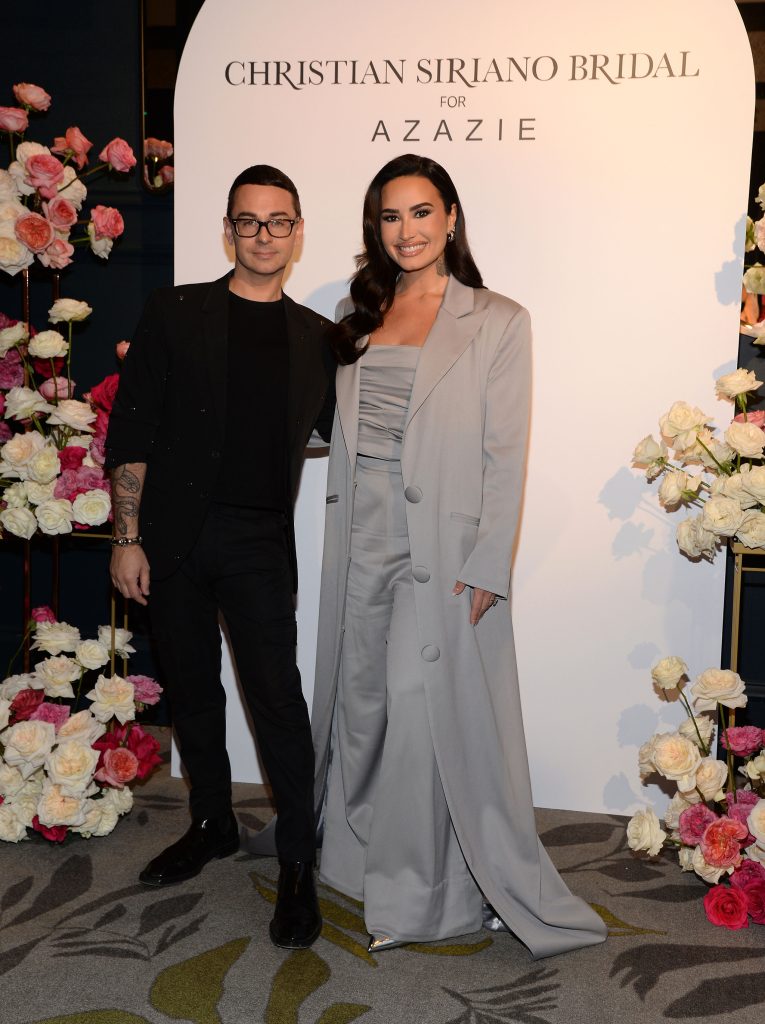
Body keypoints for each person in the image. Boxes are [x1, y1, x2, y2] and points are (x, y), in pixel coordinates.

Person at [310, 154, 608, 957]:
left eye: (419, 212)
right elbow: (323, 427)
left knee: (419, 712)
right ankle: (356, 859)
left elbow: (502, 454)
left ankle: (421, 897)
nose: (405, 231)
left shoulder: (497, 320)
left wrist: (486, 562)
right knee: (361, 702)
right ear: (374, 228)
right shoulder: (354, 314)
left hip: (439, 550)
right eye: (388, 216)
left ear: (449, 217)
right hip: (357, 540)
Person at [105, 164, 335, 950]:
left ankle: (298, 862)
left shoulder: (319, 338)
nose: (263, 235)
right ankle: (210, 821)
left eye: (278, 222)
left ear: (298, 233)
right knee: (193, 688)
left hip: (257, 541)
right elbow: (131, 429)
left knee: (276, 699)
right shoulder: (176, 312)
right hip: (169, 534)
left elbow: (356, 439)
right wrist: (126, 537)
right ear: (228, 230)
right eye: (248, 221)